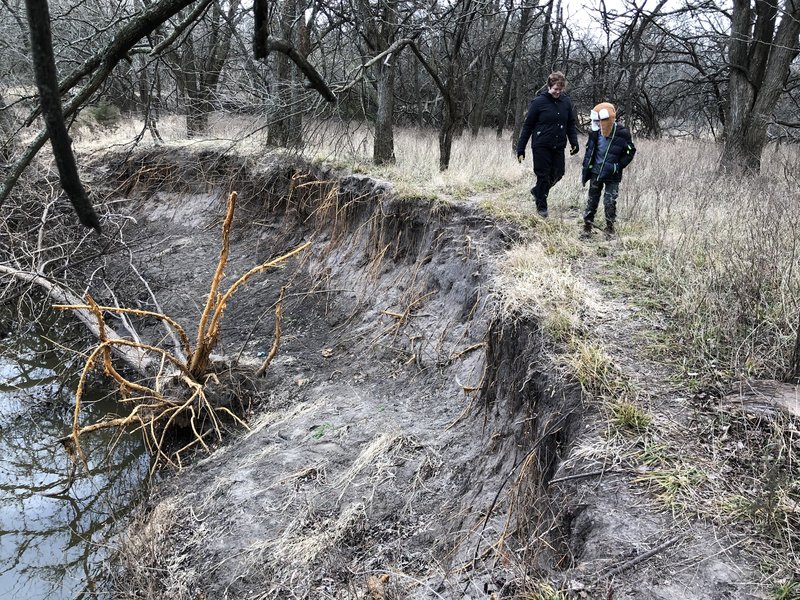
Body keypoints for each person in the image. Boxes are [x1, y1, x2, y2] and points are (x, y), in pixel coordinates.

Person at [516, 71, 579, 218]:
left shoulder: (566, 102)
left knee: (558, 174)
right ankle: (541, 206)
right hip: (541, 144)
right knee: (543, 175)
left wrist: (574, 142)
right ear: (549, 86)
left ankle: (537, 191)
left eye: (560, 89)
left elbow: (570, 124)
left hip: (559, 145)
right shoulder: (538, 102)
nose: (557, 92)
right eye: (555, 89)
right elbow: (527, 126)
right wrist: (521, 148)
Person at [580, 102, 636, 237]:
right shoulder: (594, 134)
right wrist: (587, 167)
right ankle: (587, 226)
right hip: (596, 172)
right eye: (595, 121)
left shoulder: (622, 133)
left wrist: (618, 166)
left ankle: (610, 228)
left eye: (599, 121)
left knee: (610, 201)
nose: (597, 124)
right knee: (592, 200)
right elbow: (590, 151)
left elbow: (630, 151)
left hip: (612, 175)